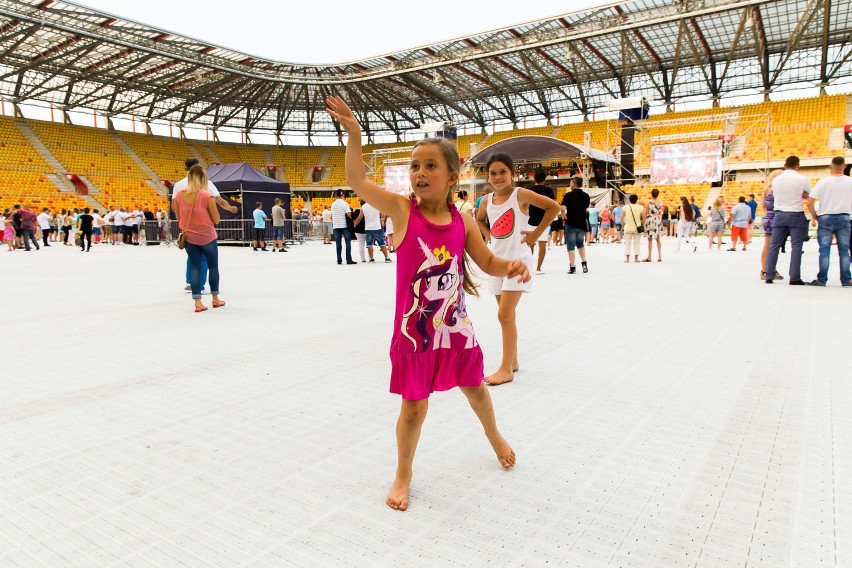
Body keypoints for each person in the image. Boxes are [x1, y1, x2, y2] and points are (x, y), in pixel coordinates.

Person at [327, 96, 523, 512]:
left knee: (477, 391)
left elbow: (486, 261)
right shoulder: (402, 211)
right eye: (414, 166)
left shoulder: (463, 220)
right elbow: (358, 182)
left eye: (430, 166)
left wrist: (510, 265)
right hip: (414, 332)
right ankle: (403, 473)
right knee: (414, 408)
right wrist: (355, 134)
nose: (419, 173)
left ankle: (494, 436)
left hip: (455, 328)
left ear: (452, 176)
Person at [476, 153, 559, 386]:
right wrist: (487, 233)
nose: (498, 177)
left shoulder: (520, 194)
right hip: (497, 263)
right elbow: (479, 219)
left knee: (503, 315)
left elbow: (553, 207)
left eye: (503, 172)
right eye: (493, 173)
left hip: (518, 262)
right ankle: (513, 361)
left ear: (513, 173)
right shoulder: (485, 201)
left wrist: (535, 234)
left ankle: (505, 370)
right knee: (507, 316)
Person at [173, 165, 224, 312]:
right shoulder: (207, 195)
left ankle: (197, 302)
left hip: (189, 236)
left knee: (195, 267)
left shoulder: (180, 195)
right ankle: (215, 299)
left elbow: (178, 216)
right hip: (207, 236)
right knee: (213, 267)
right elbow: (216, 219)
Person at [806, 156, 852, 287]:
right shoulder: (850, 181)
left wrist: (815, 216)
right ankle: (846, 279)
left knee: (824, 250)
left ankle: (822, 279)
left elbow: (810, 201)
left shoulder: (823, 182)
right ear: (845, 166)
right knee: (844, 250)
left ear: (830, 167)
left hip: (826, 217)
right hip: (844, 217)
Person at [765, 156, 811, 285]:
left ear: (785, 165)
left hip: (779, 214)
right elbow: (809, 196)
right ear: (798, 165)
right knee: (796, 247)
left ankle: (769, 274)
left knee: (774, 246)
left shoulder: (776, 180)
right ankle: (794, 277)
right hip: (796, 214)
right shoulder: (802, 179)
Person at [527, 168, 556, 274]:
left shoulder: (529, 190)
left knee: (530, 244)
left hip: (530, 220)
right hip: (544, 220)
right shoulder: (548, 191)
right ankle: (538, 269)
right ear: (545, 178)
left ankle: (528, 267)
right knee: (542, 245)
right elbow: (553, 205)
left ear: (534, 178)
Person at [561, 177, 591, 273]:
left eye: (570, 183)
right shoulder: (586, 196)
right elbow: (586, 209)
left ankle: (573, 267)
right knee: (580, 244)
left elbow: (562, 208)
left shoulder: (568, 195)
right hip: (581, 224)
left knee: (570, 246)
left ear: (573, 183)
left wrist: (563, 218)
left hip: (571, 223)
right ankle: (584, 263)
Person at [760, 170, 784, 281]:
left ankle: (767, 269)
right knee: (773, 247)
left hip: (768, 218)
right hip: (776, 217)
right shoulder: (777, 189)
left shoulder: (766, 189)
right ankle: (768, 270)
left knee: (768, 246)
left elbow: (763, 205)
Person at [331, 188, 355, 265]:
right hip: (344, 226)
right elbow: (349, 214)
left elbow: (332, 215)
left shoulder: (333, 204)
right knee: (348, 243)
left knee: (338, 244)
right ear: (343, 195)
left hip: (336, 226)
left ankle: (339, 259)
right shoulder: (345, 203)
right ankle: (348, 259)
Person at [621, 194, 646, 262]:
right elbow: (644, 218)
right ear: (637, 199)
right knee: (637, 243)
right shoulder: (640, 207)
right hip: (637, 228)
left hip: (628, 227)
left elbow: (622, 217)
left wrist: (623, 226)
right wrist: (642, 224)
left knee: (627, 243)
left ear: (629, 200)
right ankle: (636, 258)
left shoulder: (626, 207)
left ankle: (627, 258)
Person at [643, 188, 663, 262]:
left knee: (650, 239)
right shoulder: (661, 202)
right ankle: (660, 256)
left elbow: (646, 212)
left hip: (651, 220)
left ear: (652, 194)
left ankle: (649, 257)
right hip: (658, 220)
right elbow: (661, 212)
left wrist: (644, 221)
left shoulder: (649, 202)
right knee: (658, 239)